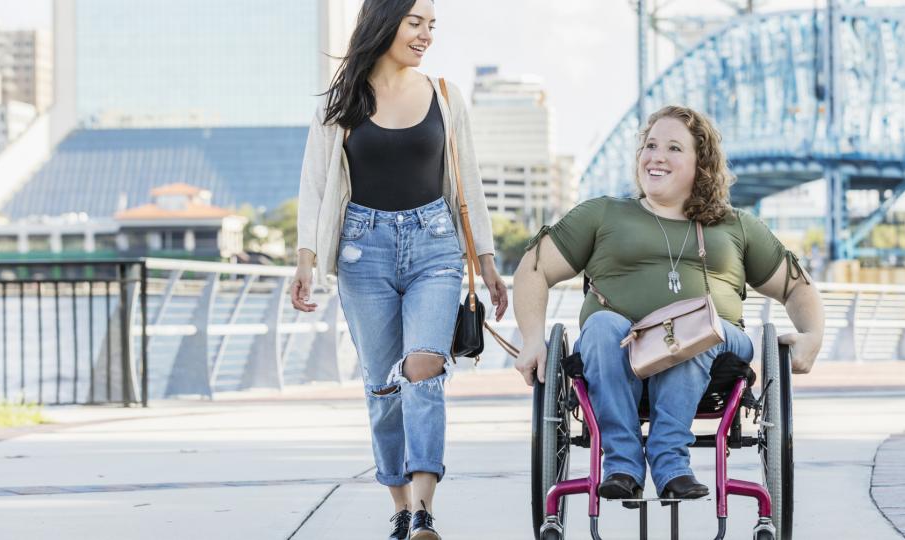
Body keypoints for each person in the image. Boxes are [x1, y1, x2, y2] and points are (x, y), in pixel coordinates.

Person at [513, 106, 824, 503]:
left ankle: (669, 461)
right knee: (603, 326)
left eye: (673, 148)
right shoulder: (604, 214)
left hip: (715, 354)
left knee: (695, 327)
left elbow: (798, 288)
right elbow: (532, 269)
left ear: (702, 164)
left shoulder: (735, 226)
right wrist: (533, 339)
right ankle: (622, 464)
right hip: (619, 351)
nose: (656, 155)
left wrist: (812, 336)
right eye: (650, 145)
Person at [289, 1, 508, 538]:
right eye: (415, 23)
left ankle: (426, 507)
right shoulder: (340, 102)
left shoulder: (445, 96)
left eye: (432, 25)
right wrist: (304, 260)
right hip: (363, 254)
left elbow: (469, 184)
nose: (426, 35)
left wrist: (487, 261)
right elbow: (315, 185)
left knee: (424, 368)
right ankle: (401, 504)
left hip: (436, 248)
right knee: (382, 385)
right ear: (385, 22)